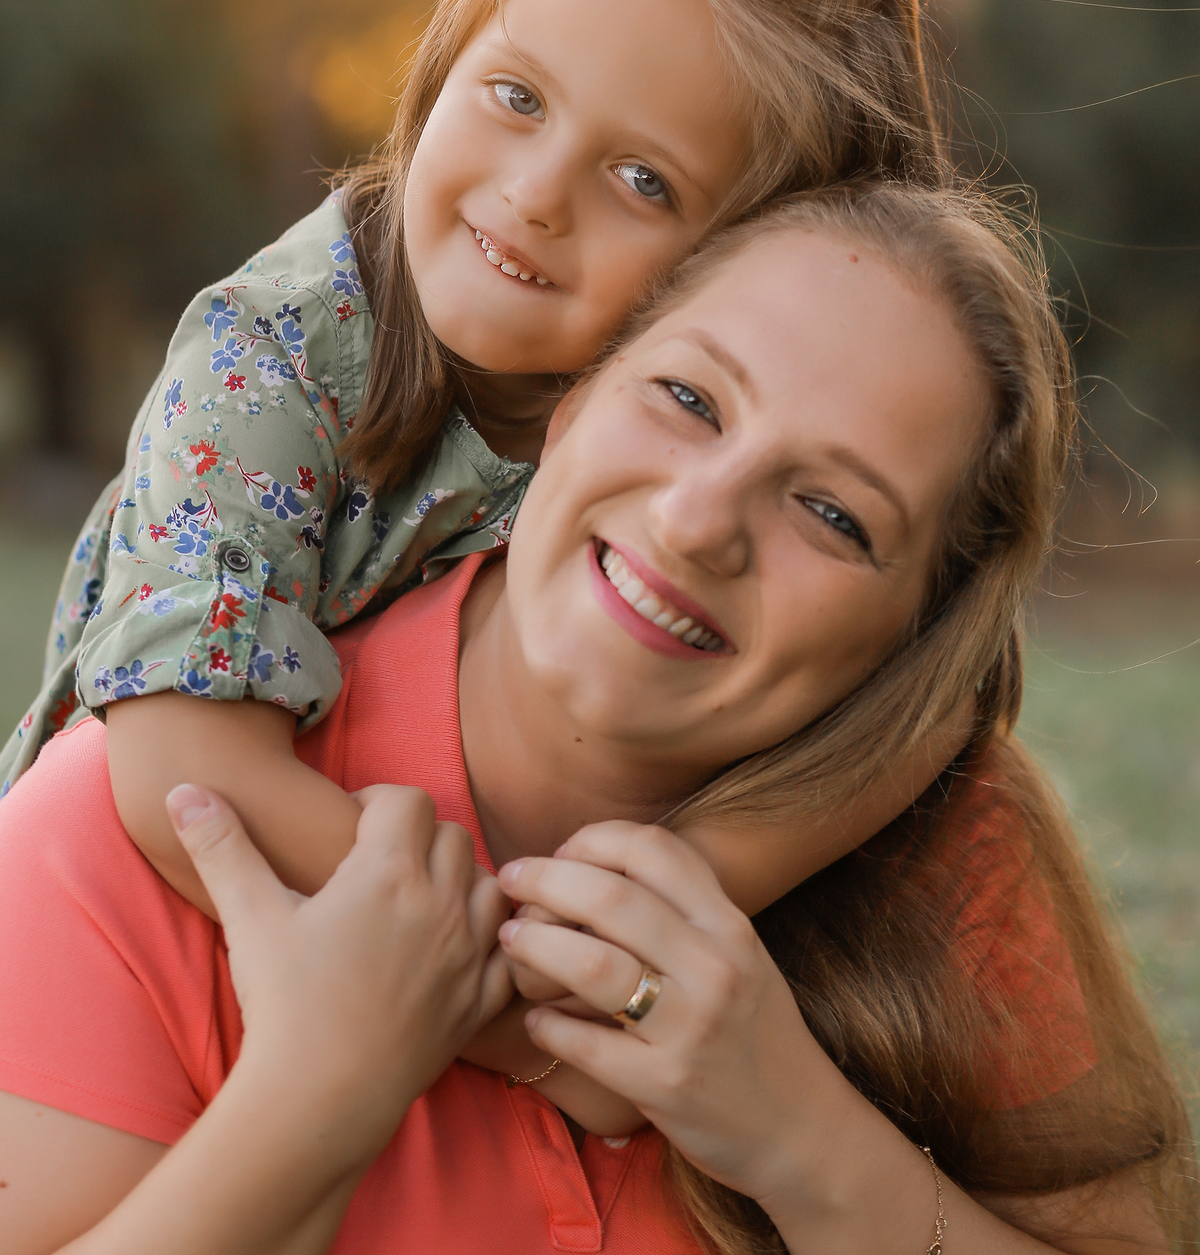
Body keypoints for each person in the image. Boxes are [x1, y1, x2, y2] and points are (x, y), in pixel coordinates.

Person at [0, 185, 1192, 1254]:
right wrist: (311, 1106)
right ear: (571, 405)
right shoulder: (138, 821)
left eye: (834, 514)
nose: (697, 521)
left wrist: (803, 1143)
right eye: (688, 399)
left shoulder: (954, 856)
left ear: (912, 638)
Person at [2, 0, 963, 967]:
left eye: (643, 178)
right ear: (447, 56)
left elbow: (938, 696)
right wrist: (531, 991)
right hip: (111, 945)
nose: (537, 193)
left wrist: (692, 887)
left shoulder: (699, 451)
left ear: (759, 262)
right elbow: (184, 780)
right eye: (517, 96)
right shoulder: (272, 356)